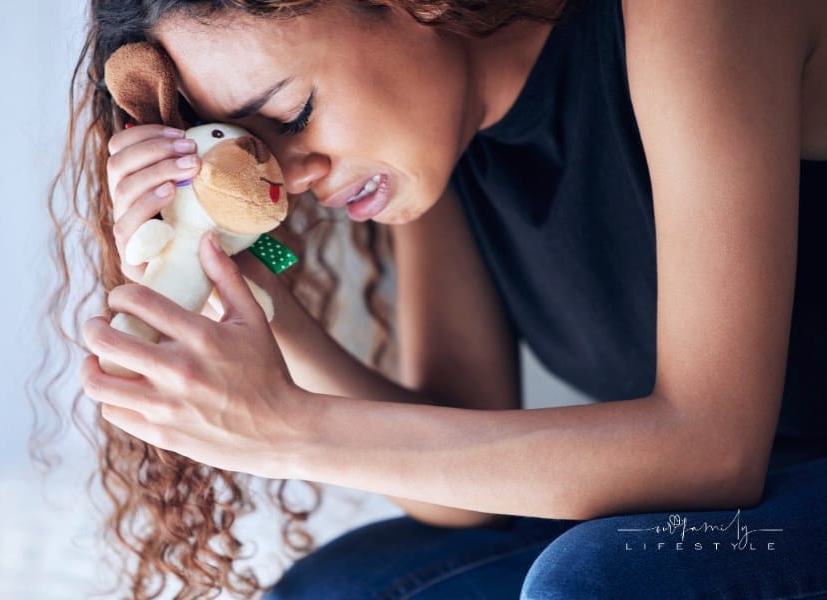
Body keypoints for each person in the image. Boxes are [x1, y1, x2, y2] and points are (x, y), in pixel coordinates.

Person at [51, 0, 827, 597]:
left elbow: (713, 452)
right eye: (255, 143)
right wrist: (238, 275)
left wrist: (289, 432)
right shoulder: (430, 147)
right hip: (748, 506)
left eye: (292, 115)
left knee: (594, 580)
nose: (294, 177)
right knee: (337, 590)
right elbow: (458, 496)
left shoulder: (689, 17)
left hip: (765, 485)